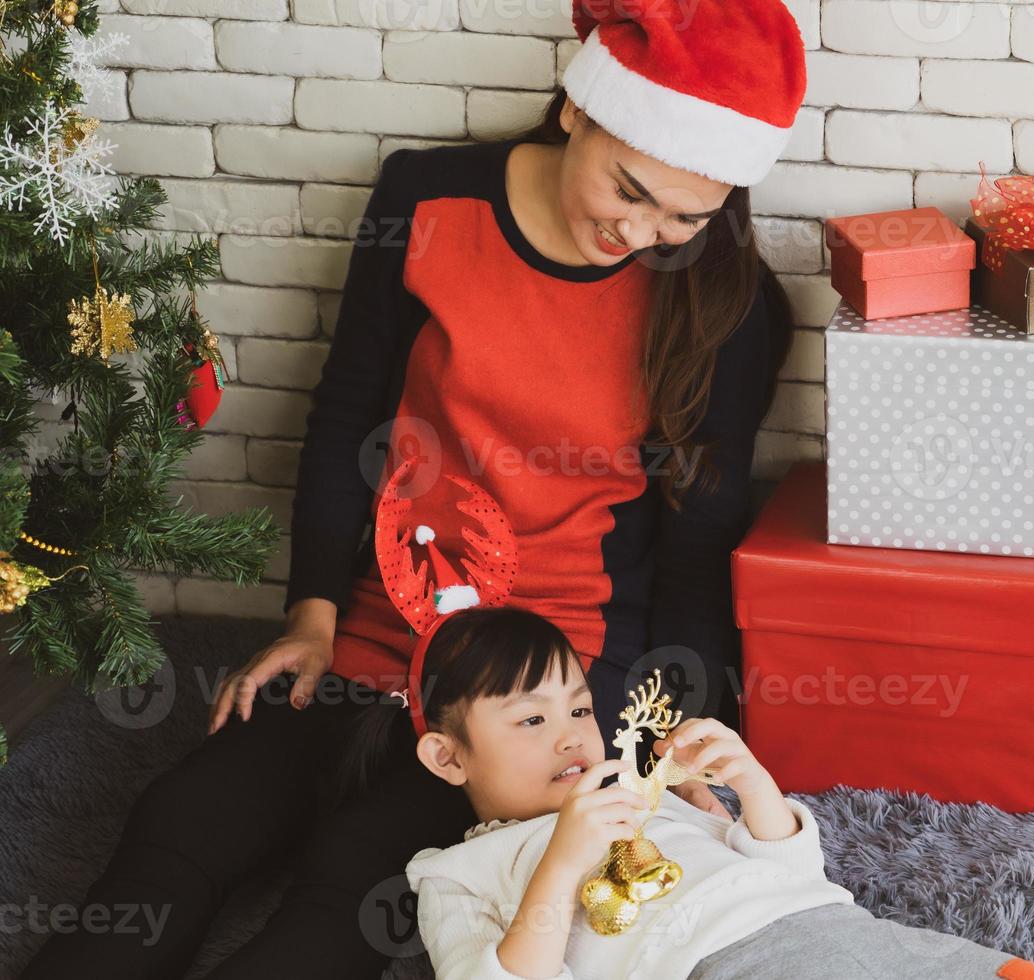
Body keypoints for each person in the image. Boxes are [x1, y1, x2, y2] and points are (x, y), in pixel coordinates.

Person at [19, 1, 805, 976]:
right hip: (391, 607)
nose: (646, 234)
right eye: (631, 191)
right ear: (575, 110)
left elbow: (695, 550)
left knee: (361, 875)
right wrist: (309, 615)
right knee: (185, 818)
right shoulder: (427, 198)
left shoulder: (718, 294)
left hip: (553, 670)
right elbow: (348, 414)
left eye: (688, 214)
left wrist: (649, 735)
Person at [379, 603, 1034, 980]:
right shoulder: (456, 875)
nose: (571, 737)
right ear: (447, 757)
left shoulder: (651, 797)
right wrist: (561, 864)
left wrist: (750, 782)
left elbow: (796, 877)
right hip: (723, 963)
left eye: (581, 709)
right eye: (532, 719)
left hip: (844, 931)